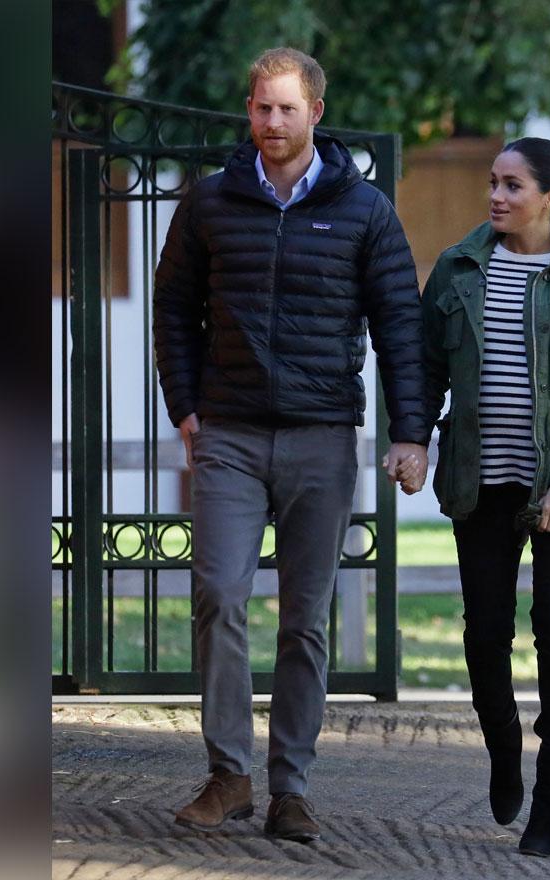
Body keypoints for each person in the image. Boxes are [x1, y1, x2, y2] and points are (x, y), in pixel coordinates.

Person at [152, 47, 429, 844]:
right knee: (219, 597)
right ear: (249, 113)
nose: (272, 123)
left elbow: (399, 325)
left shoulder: (364, 209)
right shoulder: (209, 204)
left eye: (286, 109)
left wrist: (410, 431)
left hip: (320, 438)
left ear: (315, 112)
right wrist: (186, 407)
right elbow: (172, 308)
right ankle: (228, 775)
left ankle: (291, 789)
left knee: (305, 620)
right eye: (260, 108)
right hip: (230, 435)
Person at [411, 137, 550, 857]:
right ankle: (502, 742)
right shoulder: (459, 269)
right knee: (484, 631)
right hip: (481, 482)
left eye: (511, 185)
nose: (495, 196)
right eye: (492, 184)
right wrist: (410, 437)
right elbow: (425, 366)